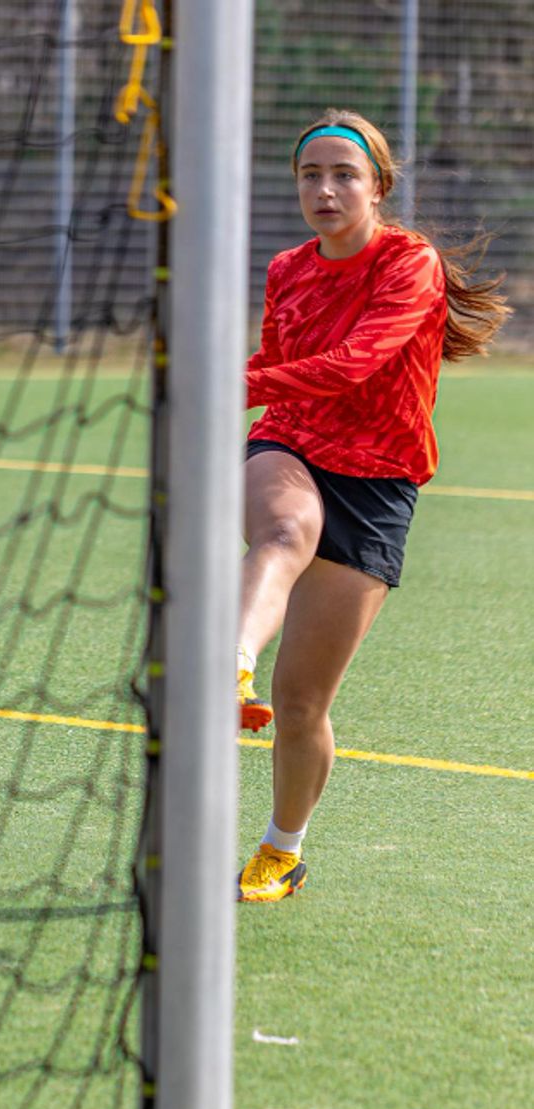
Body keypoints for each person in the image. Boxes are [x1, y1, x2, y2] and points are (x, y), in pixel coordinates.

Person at [235, 109, 509, 903]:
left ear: (378, 187)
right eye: (309, 175)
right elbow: (279, 366)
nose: (324, 189)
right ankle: (231, 659)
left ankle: (282, 848)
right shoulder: (288, 267)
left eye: (343, 174)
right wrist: (237, 381)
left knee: (301, 702)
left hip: (380, 480)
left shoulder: (409, 263)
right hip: (291, 444)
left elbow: (356, 365)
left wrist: (235, 382)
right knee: (286, 529)